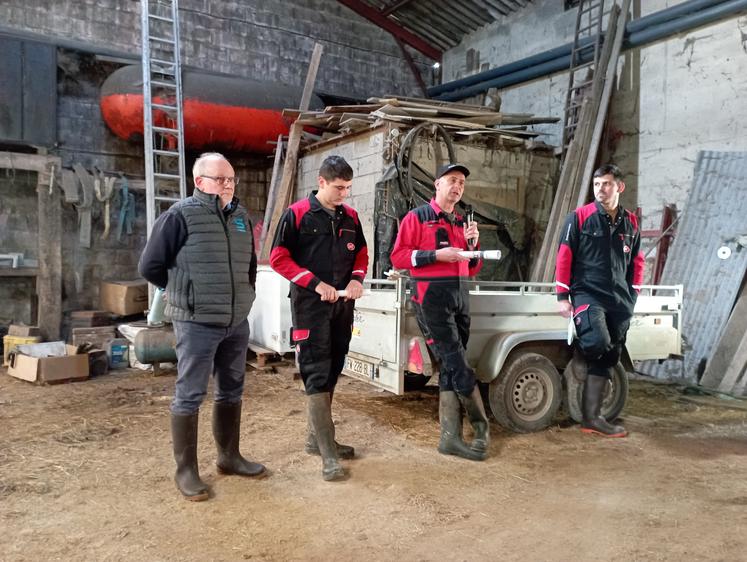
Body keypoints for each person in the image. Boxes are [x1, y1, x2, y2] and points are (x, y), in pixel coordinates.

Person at [139, 152, 265, 502]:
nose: (227, 185)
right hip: (196, 322)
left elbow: (249, 265)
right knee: (190, 393)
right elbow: (150, 266)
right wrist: (182, 292)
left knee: (231, 390)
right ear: (199, 182)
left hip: (235, 321)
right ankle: (187, 471)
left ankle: (229, 457)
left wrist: (247, 295)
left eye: (231, 179)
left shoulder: (239, 217)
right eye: (220, 179)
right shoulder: (179, 216)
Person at [270, 155, 368, 481]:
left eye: (348, 188)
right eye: (339, 188)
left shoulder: (351, 216)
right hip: (310, 305)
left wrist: (356, 280)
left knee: (333, 367)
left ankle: (318, 440)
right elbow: (278, 258)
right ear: (322, 182)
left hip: (342, 305)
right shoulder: (296, 214)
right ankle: (328, 456)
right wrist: (315, 283)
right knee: (315, 371)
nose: (344, 194)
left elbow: (362, 253)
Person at [390, 163, 490, 462]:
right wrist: (435, 255)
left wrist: (474, 244)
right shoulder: (417, 217)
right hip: (431, 298)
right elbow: (398, 257)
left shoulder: (461, 223)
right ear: (437, 185)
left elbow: (473, 266)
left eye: (461, 182)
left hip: (460, 297)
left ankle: (450, 438)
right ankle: (481, 428)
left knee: (450, 365)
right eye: (451, 181)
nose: (457, 186)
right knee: (458, 365)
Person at [555, 164, 644, 438]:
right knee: (597, 342)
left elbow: (637, 260)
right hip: (587, 293)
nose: (600, 190)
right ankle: (576, 367)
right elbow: (564, 255)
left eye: (606, 184)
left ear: (619, 186)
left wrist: (635, 292)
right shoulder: (579, 218)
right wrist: (562, 295)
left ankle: (592, 418)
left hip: (619, 298)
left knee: (611, 355)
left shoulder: (631, 222)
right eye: (597, 185)